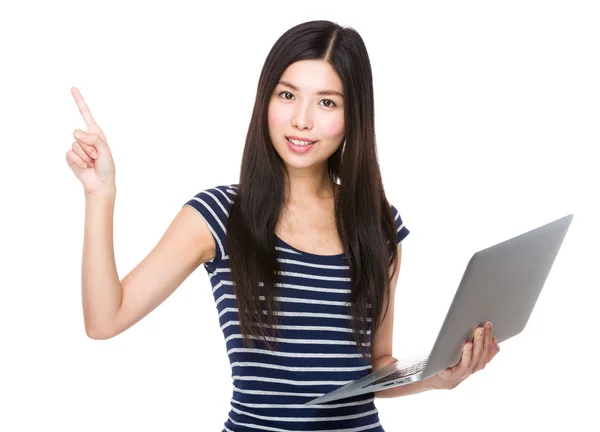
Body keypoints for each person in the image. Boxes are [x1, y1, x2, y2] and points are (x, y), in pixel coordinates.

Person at [66, 20, 499, 432]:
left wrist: (441, 377)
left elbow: (377, 366)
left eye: (327, 102)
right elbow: (105, 320)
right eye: (287, 95)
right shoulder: (219, 215)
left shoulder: (378, 223)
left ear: (354, 116)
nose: (302, 120)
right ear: (266, 100)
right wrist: (100, 194)